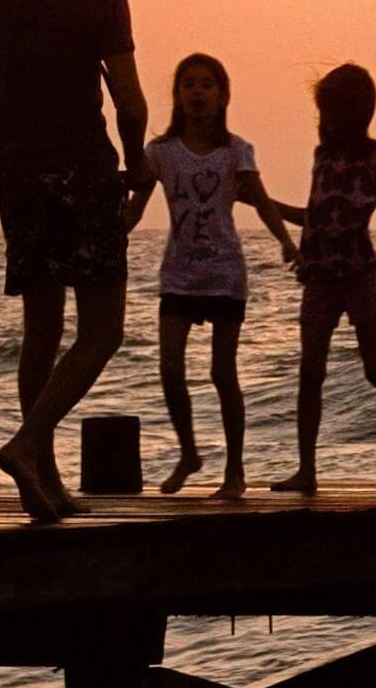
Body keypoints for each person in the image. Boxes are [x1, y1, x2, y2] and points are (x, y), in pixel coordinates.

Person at [0, 0, 142, 521]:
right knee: (102, 328)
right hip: (82, 171)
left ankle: (46, 483)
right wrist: (138, 163)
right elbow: (129, 99)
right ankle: (29, 443)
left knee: (41, 328)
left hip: (16, 172)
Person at [122, 52, 298, 498]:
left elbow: (260, 200)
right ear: (177, 95)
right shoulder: (159, 153)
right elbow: (134, 208)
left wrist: (286, 241)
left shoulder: (236, 151)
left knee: (223, 373)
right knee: (169, 367)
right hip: (179, 275)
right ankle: (188, 452)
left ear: (222, 96)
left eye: (206, 85)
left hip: (224, 274)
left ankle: (234, 472)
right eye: (188, 85)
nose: (197, 92)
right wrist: (107, 237)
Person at [273, 64, 376, 496]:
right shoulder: (321, 156)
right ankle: (306, 469)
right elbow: (314, 218)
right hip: (319, 278)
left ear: (354, 111)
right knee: (310, 372)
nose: (324, 119)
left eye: (330, 110)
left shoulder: (375, 156)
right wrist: (265, 203)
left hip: (360, 274)